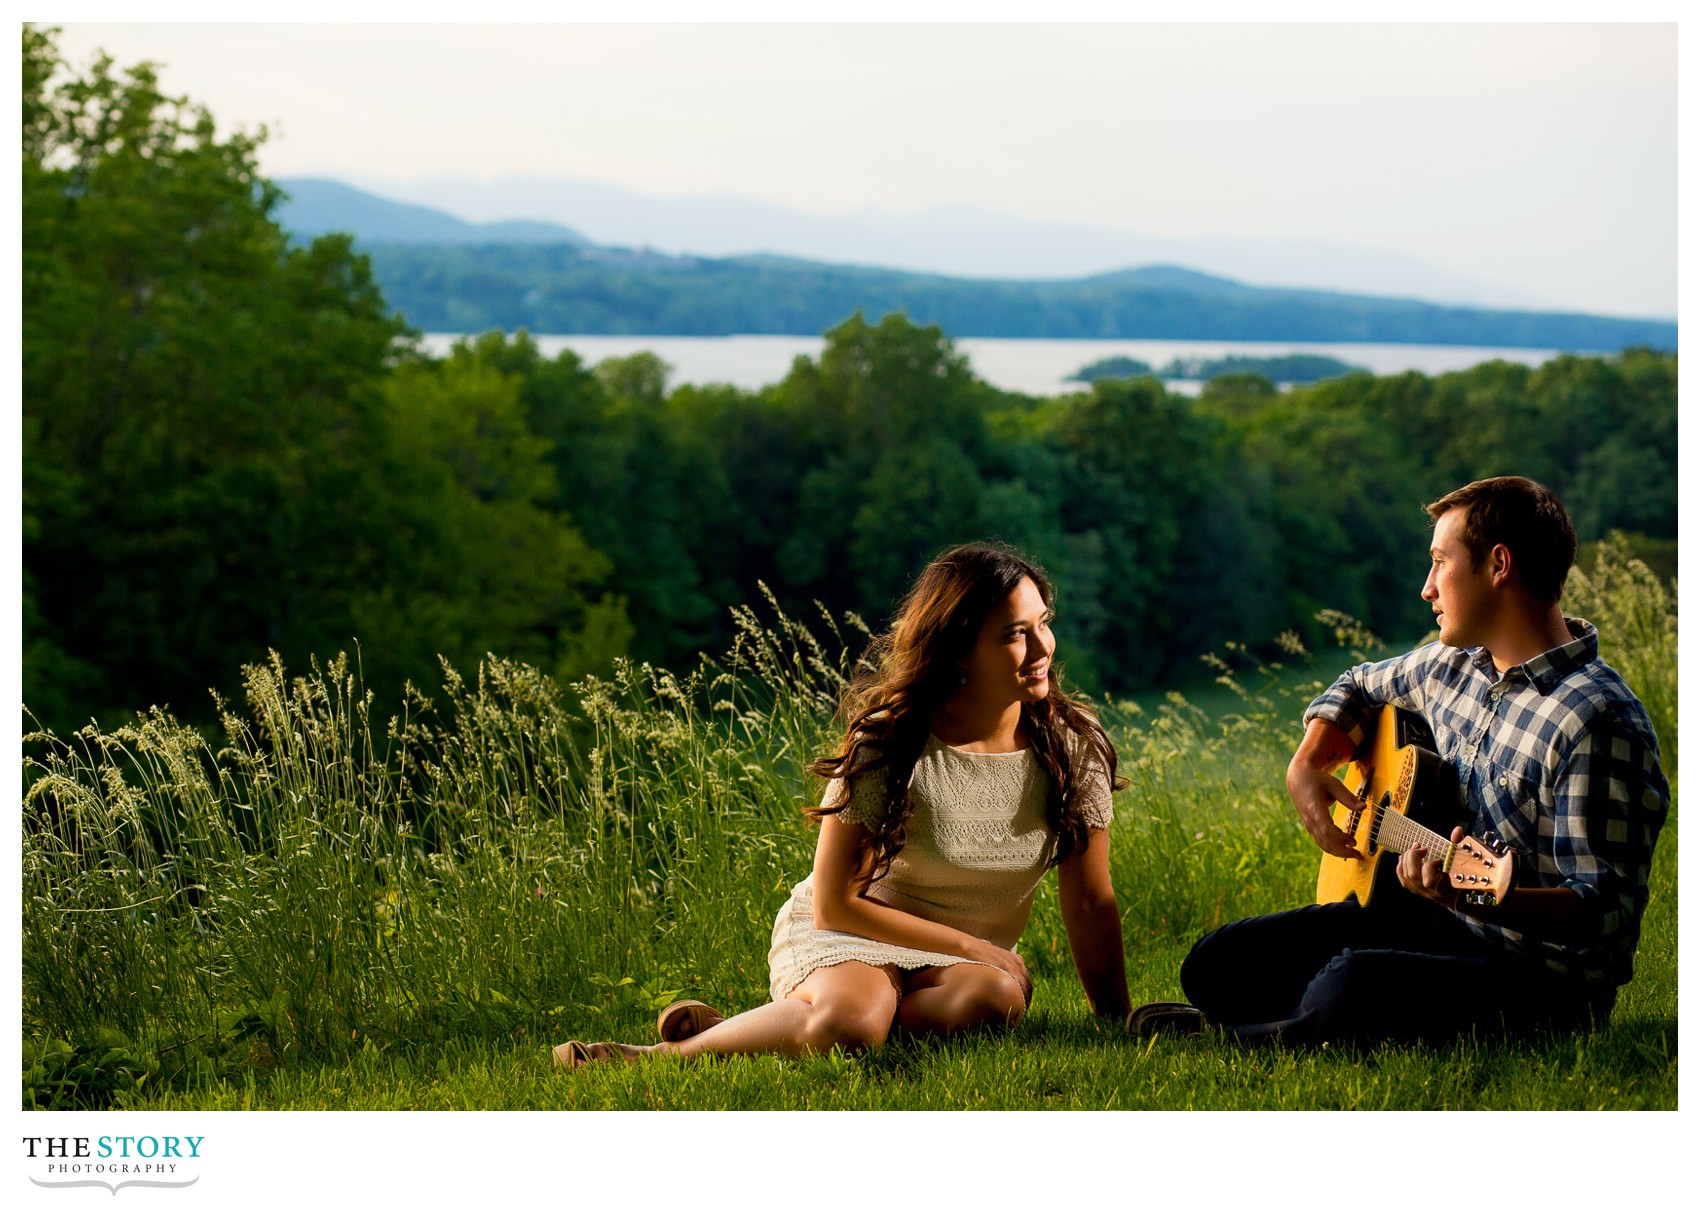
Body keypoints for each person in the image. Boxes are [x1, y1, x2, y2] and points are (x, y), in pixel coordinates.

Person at [1129, 476, 1669, 1046]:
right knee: (1217, 963)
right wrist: (1308, 765)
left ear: (1499, 565)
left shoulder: (1597, 719)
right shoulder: (1450, 665)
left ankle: (1251, 1035)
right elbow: (1357, 685)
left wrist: (1486, 899)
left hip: (1541, 980)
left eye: (1439, 562)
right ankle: (1294, 1021)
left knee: (1348, 983)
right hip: (1433, 924)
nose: (1426, 588)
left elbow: (1604, 911)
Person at [553, 542, 1133, 1068]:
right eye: (1013, 633)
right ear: (959, 647)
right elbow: (834, 904)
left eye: (1043, 624)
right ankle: (651, 1057)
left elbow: (1088, 897)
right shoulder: (892, 742)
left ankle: (750, 1030)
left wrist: (1116, 1021)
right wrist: (976, 946)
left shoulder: (1070, 744)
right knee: (853, 1027)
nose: (1041, 648)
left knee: (995, 1000)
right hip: (851, 935)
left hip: (965, 969)